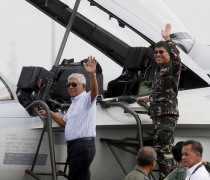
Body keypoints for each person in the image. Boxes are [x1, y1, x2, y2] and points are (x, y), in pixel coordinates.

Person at [39, 56, 98, 180]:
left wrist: (92, 75)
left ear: (83, 86)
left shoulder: (86, 98)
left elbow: (94, 92)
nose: (70, 87)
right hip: (75, 147)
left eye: (74, 84)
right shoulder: (74, 103)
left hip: (82, 146)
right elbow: (65, 123)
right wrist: (50, 112)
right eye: (68, 85)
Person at [137, 23, 182, 180]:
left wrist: (168, 40)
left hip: (166, 116)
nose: (157, 54)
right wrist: (148, 98)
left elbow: (177, 58)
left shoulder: (171, 67)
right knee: (165, 150)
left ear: (168, 54)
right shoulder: (160, 71)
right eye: (155, 52)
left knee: (163, 152)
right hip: (160, 116)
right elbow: (163, 92)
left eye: (161, 52)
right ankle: (177, 176)